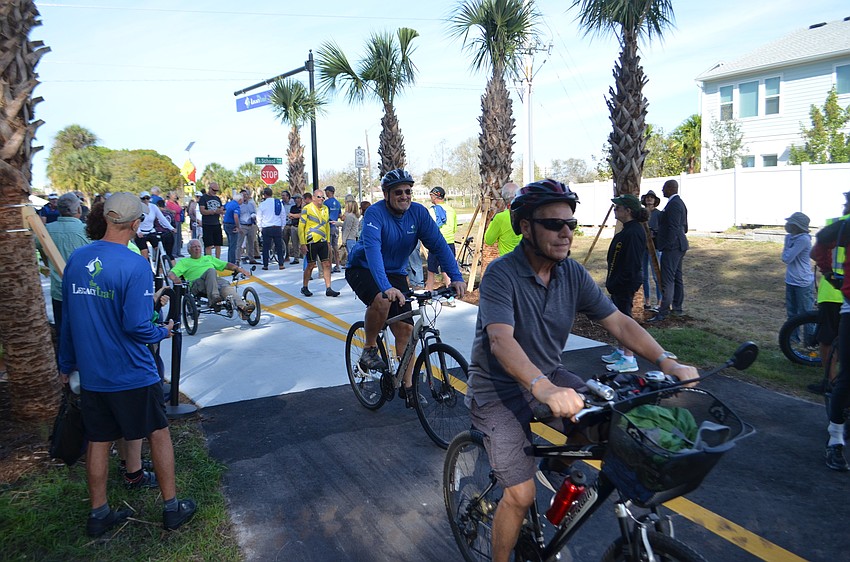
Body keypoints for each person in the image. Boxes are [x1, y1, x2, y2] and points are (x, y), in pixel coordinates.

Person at [465, 179, 698, 561]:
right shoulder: (501, 275)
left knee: (613, 425)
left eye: (570, 224)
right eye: (554, 224)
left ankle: (555, 467)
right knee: (520, 496)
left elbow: (619, 323)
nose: (565, 233)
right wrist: (542, 387)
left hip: (550, 377)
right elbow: (500, 341)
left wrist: (666, 360)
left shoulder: (571, 273)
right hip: (498, 390)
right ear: (526, 227)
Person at [58, 192, 196, 537]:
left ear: (105, 217)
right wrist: (162, 331)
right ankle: (171, 507)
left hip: (92, 373)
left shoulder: (77, 259)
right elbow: (136, 325)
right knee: (159, 434)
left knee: (99, 440)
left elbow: (69, 321)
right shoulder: (134, 264)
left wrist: (67, 363)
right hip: (132, 371)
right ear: (136, 225)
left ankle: (99, 513)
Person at [345, 169, 466, 406]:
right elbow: (373, 253)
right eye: (398, 192)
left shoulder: (418, 214)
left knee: (405, 331)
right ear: (386, 194)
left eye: (408, 192)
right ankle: (369, 348)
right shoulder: (374, 214)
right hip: (364, 267)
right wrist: (385, 287)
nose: (405, 196)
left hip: (395, 272)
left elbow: (439, 246)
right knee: (382, 298)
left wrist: (456, 277)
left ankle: (408, 387)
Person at [811, 215, 850, 472]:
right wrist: (830, 274)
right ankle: (835, 438)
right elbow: (820, 245)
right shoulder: (846, 226)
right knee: (847, 376)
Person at [601, 194, 649, 373]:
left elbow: (632, 263)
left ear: (628, 211)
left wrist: (619, 282)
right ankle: (621, 351)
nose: (615, 210)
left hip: (625, 283)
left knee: (625, 319)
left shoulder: (635, 231)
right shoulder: (628, 229)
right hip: (618, 282)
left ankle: (629, 358)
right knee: (619, 317)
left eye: (618, 207)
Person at [37, 193, 90, 347]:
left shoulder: (46, 230)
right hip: (84, 290)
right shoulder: (87, 231)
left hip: (58, 290)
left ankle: (65, 366)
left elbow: (35, 246)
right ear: (78, 209)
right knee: (84, 330)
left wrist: (45, 261)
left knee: (62, 330)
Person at [811, 193, 850, 394]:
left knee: (827, 340)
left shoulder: (838, 224)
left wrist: (827, 271)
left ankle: (831, 383)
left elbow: (814, 252)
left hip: (834, 292)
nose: (844, 206)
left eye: (846, 203)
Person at [168, 239, 256, 318]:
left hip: (215, 282)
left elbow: (225, 264)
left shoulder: (208, 258)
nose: (197, 248)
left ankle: (243, 309)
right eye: (194, 247)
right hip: (198, 284)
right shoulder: (184, 262)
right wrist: (175, 279)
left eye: (199, 246)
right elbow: (171, 273)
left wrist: (238, 268)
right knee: (211, 271)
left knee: (226, 287)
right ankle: (214, 298)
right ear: (189, 250)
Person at [649, 179, 688, 322]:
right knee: (677, 278)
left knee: (668, 279)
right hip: (679, 245)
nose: (662, 190)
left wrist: (667, 244)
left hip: (673, 247)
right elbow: (684, 226)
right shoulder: (678, 203)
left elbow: (673, 227)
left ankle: (663, 311)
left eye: (664, 188)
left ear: (671, 188)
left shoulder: (674, 204)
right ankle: (677, 308)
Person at [299, 188, 339, 297]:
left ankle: (328, 288)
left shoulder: (325, 209)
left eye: (322, 197)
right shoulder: (307, 209)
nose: (321, 199)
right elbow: (301, 226)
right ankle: (305, 286)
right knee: (311, 265)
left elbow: (326, 225)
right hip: (311, 240)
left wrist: (328, 241)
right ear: (313, 198)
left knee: (326, 263)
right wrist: (303, 243)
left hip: (323, 240)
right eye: (319, 197)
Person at [781, 212, 814, 324]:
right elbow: (785, 257)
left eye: (790, 222)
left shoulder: (803, 239)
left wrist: (787, 245)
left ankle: (810, 340)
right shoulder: (789, 238)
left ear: (795, 226)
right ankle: (793, 339)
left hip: (802, 282)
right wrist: (788, 242)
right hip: (790, 280)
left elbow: (787, 258)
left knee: (806, 315)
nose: (787, 225)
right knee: (792, 314)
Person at [425, 186, 458, 294]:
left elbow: (429, 228)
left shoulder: (432, 210)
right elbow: (454, 228)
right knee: (447, 271)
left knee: (431, 271)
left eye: (431, 196)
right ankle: (451, 296)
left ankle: (428, 294)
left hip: (437, 244)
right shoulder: (452, 210)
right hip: (450, 243)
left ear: (435, 196)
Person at [134, 191, 176, 260]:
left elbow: (162, 218)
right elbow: (135, 221)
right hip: (141, 232)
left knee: (158, 248)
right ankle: (146, 267)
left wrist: (171, 228)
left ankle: (159, 266)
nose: (146, 200)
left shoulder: (153, 207)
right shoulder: (138, 208)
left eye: (147, 198)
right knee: (144, 252)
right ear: (140, 199)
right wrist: (138, 231)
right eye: (143, 199)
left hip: (151, 231)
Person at [484, 181, 522, 256]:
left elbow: (488, 240)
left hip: (508, 264)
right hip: (526, 263)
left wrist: (492, 221)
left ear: (503, 198)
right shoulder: (527, 214)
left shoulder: (500, 218)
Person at [640, 190, 662, 310]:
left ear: (655, 201)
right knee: (644, 275)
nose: (649, 199)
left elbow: (660, 230)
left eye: (651, 198)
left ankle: (659, 302)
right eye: (647, 197)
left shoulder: (658, 214)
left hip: (654, 247)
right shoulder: (641, 214)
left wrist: (653, 233)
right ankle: (647, 301)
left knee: (656, 274)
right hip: (643, 247)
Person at [257, 187, 286, 270]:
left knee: (266, 247)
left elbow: (259, 217)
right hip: (277, 227)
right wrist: (282, 226)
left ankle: (265, 265)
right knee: (279, 246)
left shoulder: (262, 204)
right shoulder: (278, 202)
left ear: (264, 195)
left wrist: (260, 227)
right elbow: (282, 215)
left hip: (266, 227)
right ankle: (281, 264)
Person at [199, 181, 224, 258]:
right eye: (214, 190)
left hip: (216, 223)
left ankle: (217, 260)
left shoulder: (217, 198)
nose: (215, 192)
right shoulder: (203, 198)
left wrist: (221, 211)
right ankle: (209, 261)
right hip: (207, 224)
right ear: (209, 189)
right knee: (208, 245)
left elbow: (220, 208)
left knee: (218, 244)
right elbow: (202, 211)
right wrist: (213, 211)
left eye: (217, 190)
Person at [237, 189, 259, 265]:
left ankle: (251, 258)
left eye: (246, 195)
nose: (244, 196)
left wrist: (254, 216)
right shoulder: (238, 205)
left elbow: (254, 212)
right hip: (242, 225)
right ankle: (237, 259)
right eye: (243, 195)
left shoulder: (251, 204)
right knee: (239, 243)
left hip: (251, 225)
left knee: (251, 243)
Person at [324, 185, 342, 272]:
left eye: (326, 191)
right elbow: (339, 215)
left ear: (329, 192)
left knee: (329, 247)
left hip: (329, 226)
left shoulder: (326, 203)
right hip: (336, 226)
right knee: (335, 247)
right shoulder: (337, 203)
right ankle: (337, 266)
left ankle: (330, 266)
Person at [222, 192, 242, 265]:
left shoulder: (229, 203)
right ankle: (232, 263)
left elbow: (222, 209)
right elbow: (236, 216)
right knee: (233, 245)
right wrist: (238, 226)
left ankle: (229, 260)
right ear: (239, 200)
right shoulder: (236, 206)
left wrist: (224, 217)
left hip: (226, 224)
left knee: (230, 244)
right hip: (232, 225)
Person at [340, 199, 360, 267]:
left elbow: (347, 229)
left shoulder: (350, 216)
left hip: (349, 238)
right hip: (353, 237)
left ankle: (351, 266)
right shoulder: (355, 216)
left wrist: (343, 240)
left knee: (351, 254)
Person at [165, 191, 185, 257]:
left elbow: (178, 210)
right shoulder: (168, 203)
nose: (175, 196)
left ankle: (178, 252)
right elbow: (175, 210)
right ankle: (174, 252)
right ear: (170, 196)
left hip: (178, 220)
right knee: (174, 237)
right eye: (174, 195)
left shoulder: (176, 203)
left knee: (179, 237)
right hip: (174, 221)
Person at [284, 193, 302, 265]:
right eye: (294, 199)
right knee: (295, 243)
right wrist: (295, 216)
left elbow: (301, 215)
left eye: (297, 198)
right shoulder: (293, 207)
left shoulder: (303, 207)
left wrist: (294, 215)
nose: (295, 200)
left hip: (301, 226)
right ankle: (296, 258)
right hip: (294, 226)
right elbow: (290, 216)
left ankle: (305, 258)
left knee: (303, 243)